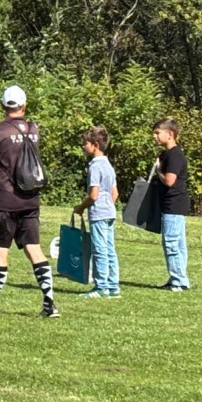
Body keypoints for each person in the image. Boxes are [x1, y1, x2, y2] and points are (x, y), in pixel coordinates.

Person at [0, 85, 59, 319]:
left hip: (6, 201)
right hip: (31, 200)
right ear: (24, 105)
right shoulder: (34, 128)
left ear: (3, 106)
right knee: (35, 250)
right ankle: (49, 302)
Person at [73, 126, 121, 298]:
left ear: (95, 145)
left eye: (84, 144)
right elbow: (115, 193)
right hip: (110, 211)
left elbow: (93, 194)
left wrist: (80, 207)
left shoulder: (95, 166)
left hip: (99, 213)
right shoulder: (108, 165)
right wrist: (108, 204)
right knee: (109, 249)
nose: (83, 147)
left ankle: (101, 286)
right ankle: (113, 285)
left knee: (99, 249)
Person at [152, 117, 191, 291]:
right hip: (171, 205)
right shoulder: (166, 154)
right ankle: (179, 278)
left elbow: (169, 181)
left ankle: (178, 281)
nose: (154, 136)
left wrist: (159, 170)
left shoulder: (175, 155)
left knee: (172, 243)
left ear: (170, 134)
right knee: (177, 243)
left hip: (173, 205)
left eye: (157, 133)